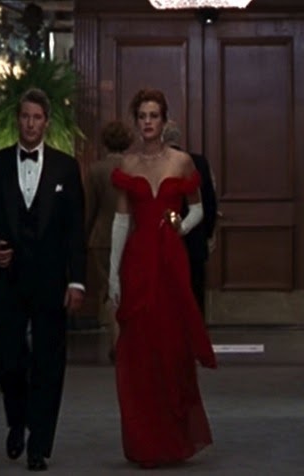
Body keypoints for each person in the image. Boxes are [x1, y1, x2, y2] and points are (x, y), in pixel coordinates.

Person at [0, 88, 86, 471]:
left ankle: (39, 445)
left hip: (50, 280)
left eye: (36, 117)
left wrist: (76, 281)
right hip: (7, 280)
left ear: (46, 122)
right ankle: (17, 422)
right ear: (18, 120)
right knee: (9, 358)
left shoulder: (65, 167)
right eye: (25, 116)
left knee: (49, 362)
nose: (30, 124)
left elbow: (75, 231)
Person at [108, 88, 216, 468]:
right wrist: (113, 276)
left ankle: (174, 437)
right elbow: (121, 221)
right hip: (138, 261)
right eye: (142, 116)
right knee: (140, 350)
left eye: (154, 115)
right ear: (136, 122)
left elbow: (199, 209)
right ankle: (145, 440)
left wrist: (179, 227)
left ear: (165, 120)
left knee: (172, 348)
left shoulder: (182, 162)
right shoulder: (127, 163)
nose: (148, 122)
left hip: (171, 261)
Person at [85, 120, 134, 362]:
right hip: (131, 235)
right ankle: (127, 342)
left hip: (102, 237)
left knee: (109, 289)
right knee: (129, 288)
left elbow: (89, 208)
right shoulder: (134, 167)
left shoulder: (96, 170)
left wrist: (82, 237)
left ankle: (116, 342)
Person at [163, 120, 218, 317]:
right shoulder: (199, 162)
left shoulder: (157, 163)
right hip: (195, 237)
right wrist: (208, 232)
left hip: (164, 236)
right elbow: (209, 200)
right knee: (195, 291)